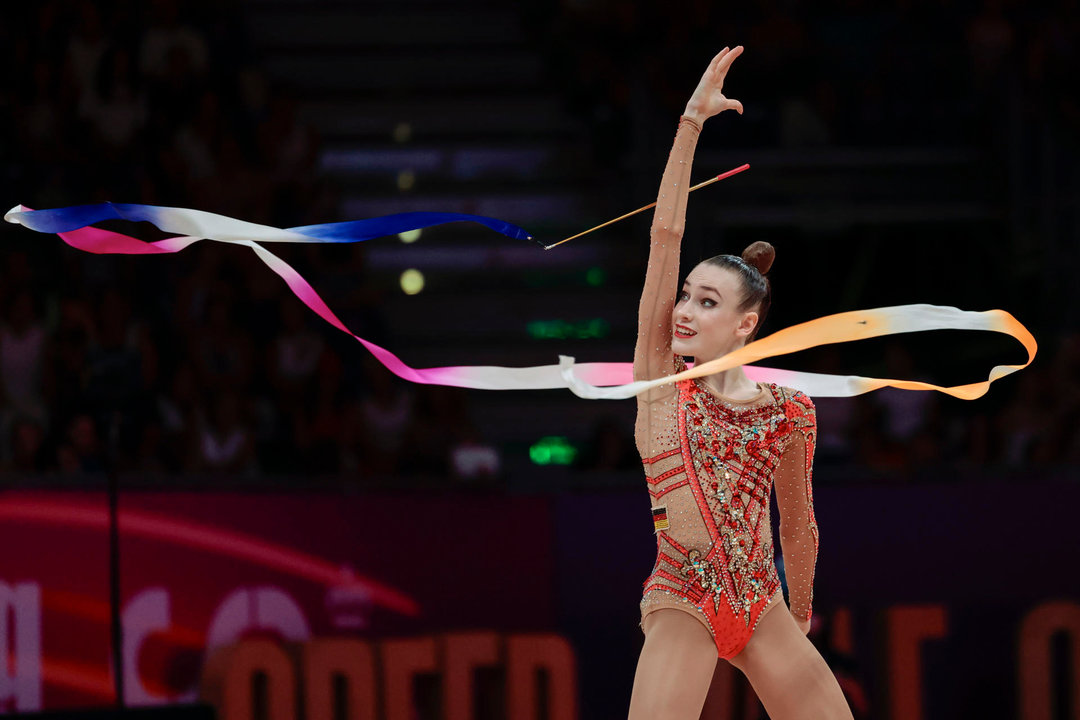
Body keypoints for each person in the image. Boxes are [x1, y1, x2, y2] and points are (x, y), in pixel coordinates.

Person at [627, 46, 853, 719]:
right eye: (686, 296)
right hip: (683, 597)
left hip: (761, 602)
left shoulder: (789, 410)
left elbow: (799, 524)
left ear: (745, 324)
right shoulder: (659, 382)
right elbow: (665, 235)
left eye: (706, 302)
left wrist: (803, 612)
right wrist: (691, 123)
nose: (685, 312)